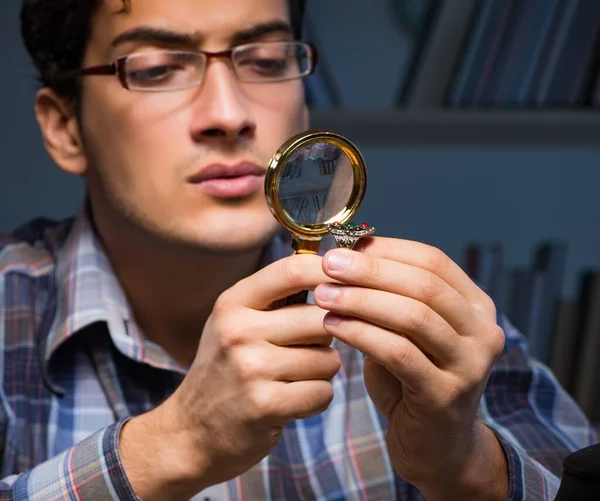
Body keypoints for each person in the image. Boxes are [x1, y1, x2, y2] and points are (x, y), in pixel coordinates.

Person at [0, 0, 596, 499]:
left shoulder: (429, 329)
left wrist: (468, 465)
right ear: (65, 128)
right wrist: (169, 445)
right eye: (157, 68)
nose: (229, 115)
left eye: (265, 60)